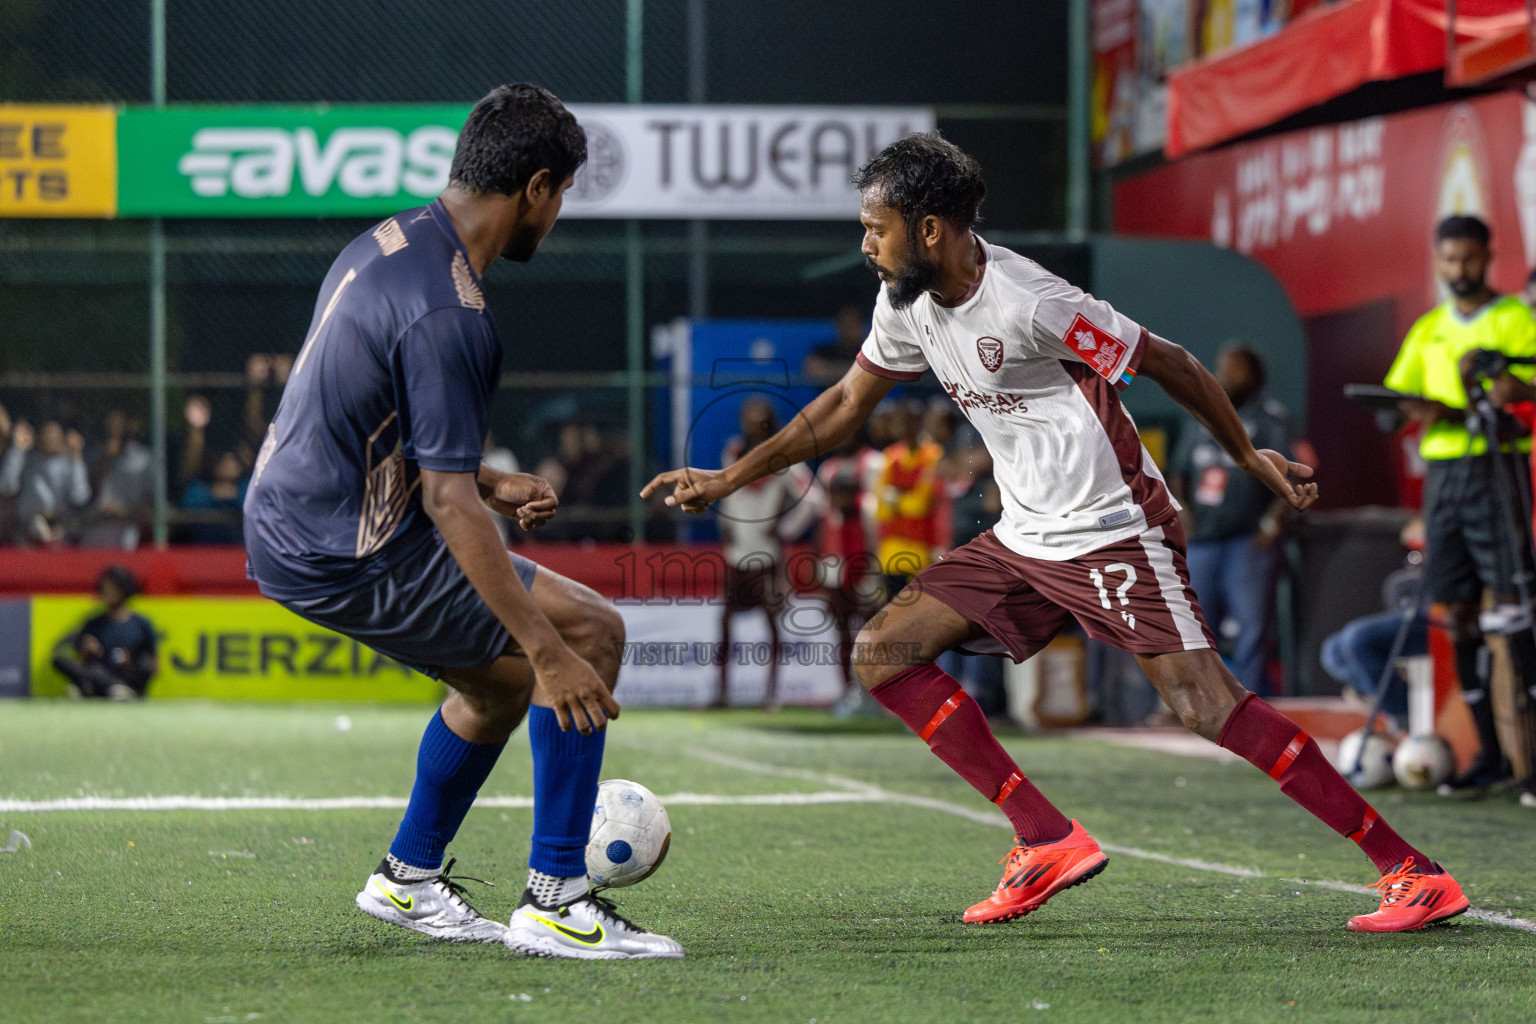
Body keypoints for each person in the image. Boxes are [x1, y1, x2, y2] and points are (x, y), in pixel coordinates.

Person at [645, 132, 1465, 933]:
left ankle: (1412, 871)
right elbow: (844, 406)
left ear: (929, 230)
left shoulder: (1034, 303)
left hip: (1111, 529)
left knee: (1206, 705)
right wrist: (728, 477)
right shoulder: (906, 304)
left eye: (875, 228)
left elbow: (1168, 361)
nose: (866, 245)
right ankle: (1044, 838)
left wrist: (1247, 454)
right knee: (884, 653)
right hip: (1024, 536)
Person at [242, 83, 680, 959]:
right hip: (344, 548)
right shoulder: (454, 312)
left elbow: (374, 423)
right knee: (589, 633)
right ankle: (558, 899)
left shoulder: (390, 241)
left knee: (498, 684)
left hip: (302, 520)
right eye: (560, 202)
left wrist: (485, 477)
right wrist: (551, 651)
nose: (555, 220)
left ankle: (407, 880)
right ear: (539, 187)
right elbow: (446, 507)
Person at [1385, 214, 1536, 796]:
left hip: (1499, 466)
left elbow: (1526, 390)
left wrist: (1514, 392)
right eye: (1449, 259)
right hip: (1445, 475)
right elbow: (1398, 398)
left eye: (1469, 259)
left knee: (1515, 608)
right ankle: (1492, 759)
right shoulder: (1428, 328)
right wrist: (1403, 410)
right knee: (1462, 614)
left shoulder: (1515, 318)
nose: (1459, 271)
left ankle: (1529, 763)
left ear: (1488, 256)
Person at [1169, 345, 1295, 695]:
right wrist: (1185, 513)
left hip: (1247, 540)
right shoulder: (1202, 414)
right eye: (1223, 368)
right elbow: (1179, 472)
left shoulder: (1271, 419)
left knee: (1251, 627)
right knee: (1194, 624)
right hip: (1204, 541)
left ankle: (1249, 701)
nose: (1226, 376)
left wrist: (1271, 525)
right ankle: (1200, 698)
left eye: (1235, 369)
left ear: (1254, 376)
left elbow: (1291, 477)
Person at [716, 397, 825, 710]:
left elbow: (813, 499)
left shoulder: (784, 458)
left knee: (771, 622)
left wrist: (786, 529)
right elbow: (726, 491)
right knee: (725, 622)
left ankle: (772, 693)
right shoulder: (733, 452)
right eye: (747, 415)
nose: (752, 421)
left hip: (766, 554)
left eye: (758, 415)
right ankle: (722, 691)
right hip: (737, 552)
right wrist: (725, 523)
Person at [51, 566, 157, 700]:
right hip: (98, 673)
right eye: (104, 588)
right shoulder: (94, 623)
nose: (107, 592)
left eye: (112, 588)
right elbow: (81, 658)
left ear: (124, 589)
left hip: (127, 678)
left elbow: (154, 665)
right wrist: (87, 649)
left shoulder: (141, 624)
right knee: (61, 661)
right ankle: (108, 686)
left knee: (139, 669)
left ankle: (117, 688)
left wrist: (133, 661)